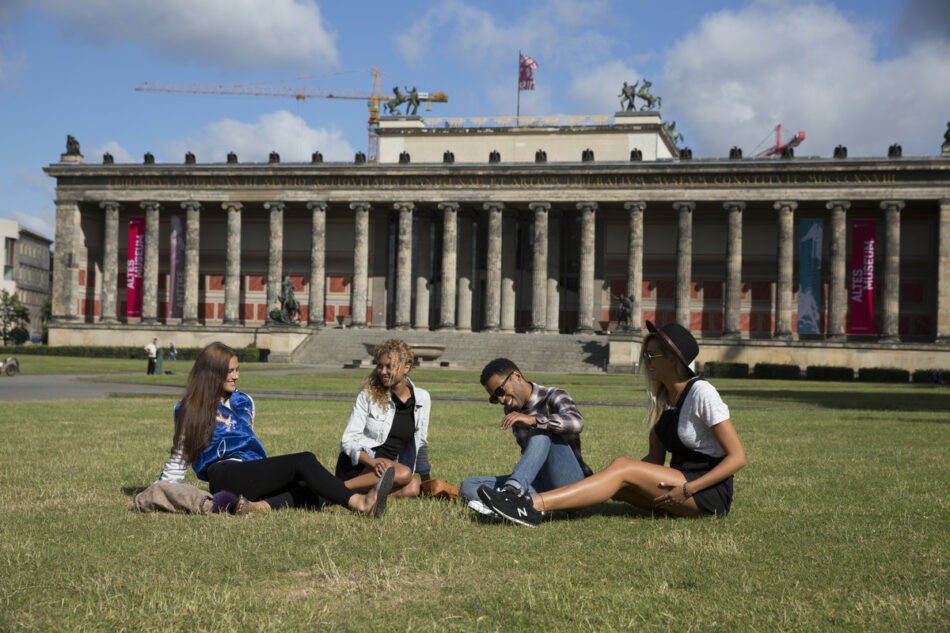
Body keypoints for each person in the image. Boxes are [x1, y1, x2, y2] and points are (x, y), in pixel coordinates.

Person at [478, 321, 746, 527]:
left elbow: (737, 458)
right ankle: (529, 499)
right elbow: (654, 458)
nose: (645, 361)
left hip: (707, 491)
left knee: (621, 467)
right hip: (679, 484)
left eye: (652, 356)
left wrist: (687, 489)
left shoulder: (702, 393)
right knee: (618, 481)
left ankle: (529, 505)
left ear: (674, 360)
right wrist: (612, 480)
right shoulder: (659, 399)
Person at [156, 341, 394, 517]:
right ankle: (361, 504)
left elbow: (249, 445)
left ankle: (258, 507)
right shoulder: (189, 408)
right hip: (223, 474)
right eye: (231, 371)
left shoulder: (245, 401)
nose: (237, 376)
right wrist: (155, 493)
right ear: (212, 372)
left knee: (315, 483)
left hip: (250, 471)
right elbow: (179, 458)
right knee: (305, 461)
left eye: (238, 369)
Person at [460, 358, 593, 516]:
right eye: (495, 398)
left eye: (500, 392)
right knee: (469, 485)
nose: (501, 400)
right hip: (541, 482)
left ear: (517, 376)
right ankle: (519, 501)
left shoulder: (554, 395)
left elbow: (577, 422)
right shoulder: (512, 410)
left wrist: (535, 420)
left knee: (540, 430)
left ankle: (510, 495)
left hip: (573, 485)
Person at [337, 339, 430, 498]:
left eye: (389, 366)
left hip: (387, 470)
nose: (382, 371)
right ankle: (336, 490)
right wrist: (373, 462)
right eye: (380, 365)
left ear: (406, 367)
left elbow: (420, 442)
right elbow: (348, 441)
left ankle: (365, 497)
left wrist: (426, 480)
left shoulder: (422, 398)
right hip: (361, 465)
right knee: (404, 473)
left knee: (414, 487)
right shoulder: (367, 396)